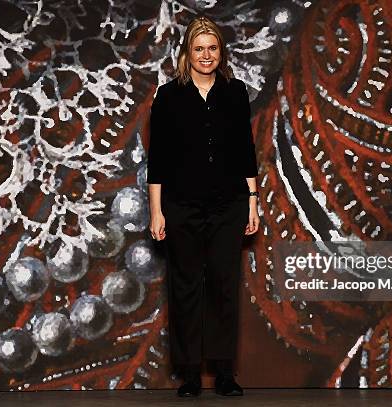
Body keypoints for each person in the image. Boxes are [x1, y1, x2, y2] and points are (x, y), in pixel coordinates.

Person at [146, 16, 260, 398]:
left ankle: (224, 373)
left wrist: (253, 203)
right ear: (187, 53)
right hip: (181, 206)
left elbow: (246, 152)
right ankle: (191, 374)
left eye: (213, 48)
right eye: (199, 48)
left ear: (221, 52)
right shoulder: (168, 96)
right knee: (186, 288)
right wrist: (156, 211)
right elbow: (158, 159)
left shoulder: (235, 92)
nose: (206, 55)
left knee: (225, 288)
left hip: (229, 205)